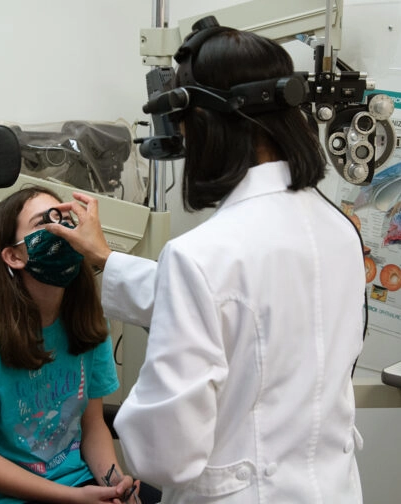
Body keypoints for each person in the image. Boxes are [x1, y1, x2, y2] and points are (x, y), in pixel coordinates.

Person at [46, 19, 366, 504]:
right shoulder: (339, 229)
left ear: (203, 123)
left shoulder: (202, 256)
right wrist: (105, 258)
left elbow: (163, 455)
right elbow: (245, 311)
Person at [0, 186, 140, 504]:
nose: (62, 229)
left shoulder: (86, 319)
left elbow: (92, 421)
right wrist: (71, 498)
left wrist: (115, 485)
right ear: (14, 255)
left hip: (77, 483)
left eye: (64, 218)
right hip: (2, 497)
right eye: (45, 222)